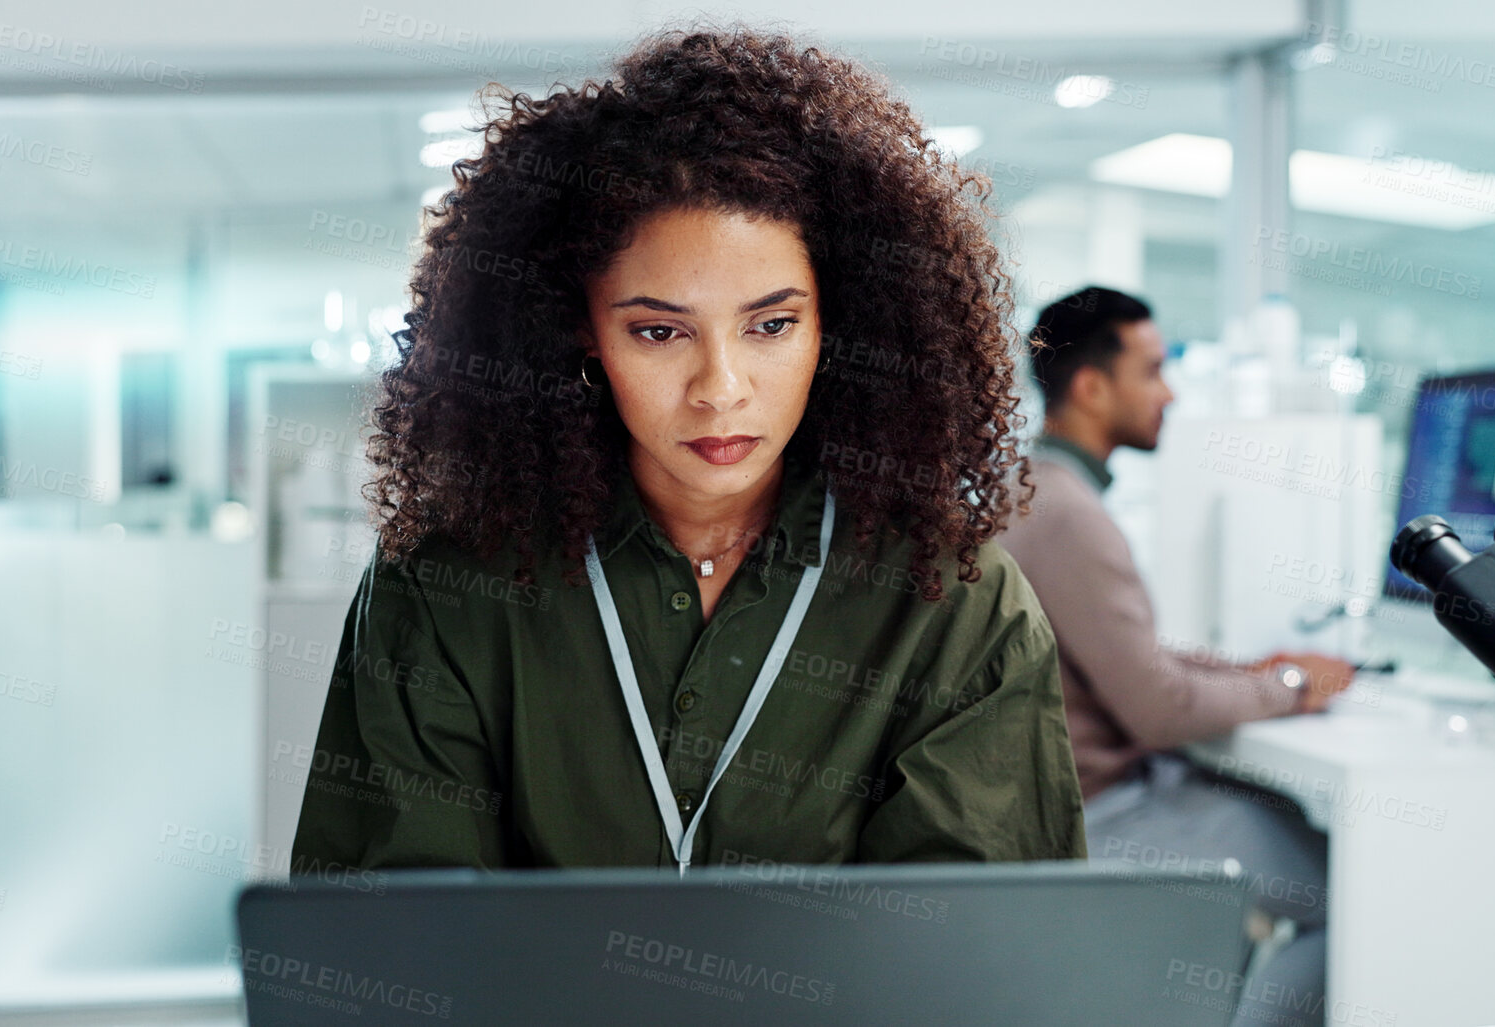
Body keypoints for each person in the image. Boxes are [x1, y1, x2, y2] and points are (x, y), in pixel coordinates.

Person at [290, 28, 1085, 875]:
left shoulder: (950, 600)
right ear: (579, 331)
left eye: (771, 324)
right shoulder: (448, 584)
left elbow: (970, 965)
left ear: (836, 325)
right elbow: (395, 951)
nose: (721, 386)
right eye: (659, 330)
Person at [997, 286, 1354, 1027]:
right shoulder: (1068, 515)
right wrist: (1290, 685)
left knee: (1288, 823)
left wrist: (1250, 673)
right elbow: (1158, 709)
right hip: (1103, 812)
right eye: (1153, 370)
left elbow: (1125, 653)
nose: (1170, 391)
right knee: (1346, 891)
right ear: (1092, 387)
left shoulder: (1027, 490)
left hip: (1068, 800)